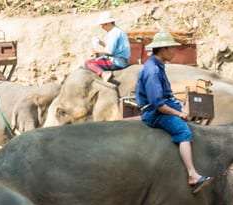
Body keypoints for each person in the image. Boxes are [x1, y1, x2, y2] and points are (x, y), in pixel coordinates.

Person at [135, 31, 211, 192]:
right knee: (183, 131)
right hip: (154, 113)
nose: (174, 51)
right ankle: (192, 175)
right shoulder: (152, 71)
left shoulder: (158, 65)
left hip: (162, 106)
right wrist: (178, 113)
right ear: (162, 49)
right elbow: (157, 104)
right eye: (172, 48)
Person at [85, 12, 130, 83]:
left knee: (89, 63)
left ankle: (104, 74)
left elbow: (110, 52)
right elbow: (112, 48)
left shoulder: (114, 34)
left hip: (117, 62)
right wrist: (100, 42)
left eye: (102, 25)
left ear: (108, 23)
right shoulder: (117, 31)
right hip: (121, 60)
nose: (102, 27)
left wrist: (97, 52)